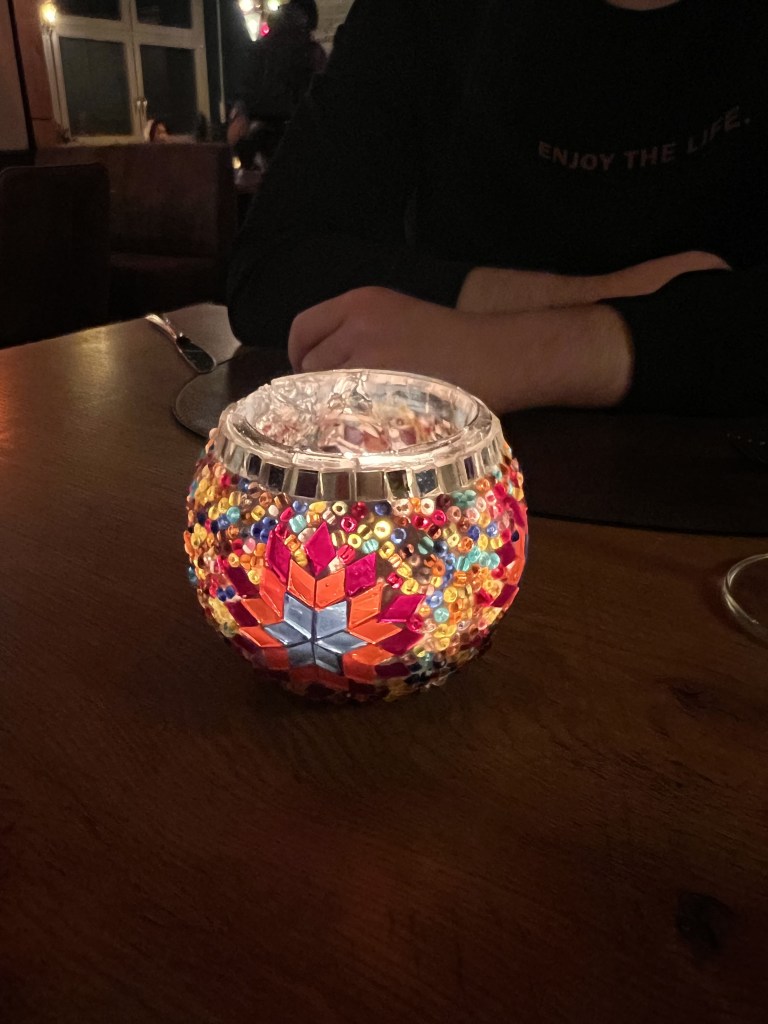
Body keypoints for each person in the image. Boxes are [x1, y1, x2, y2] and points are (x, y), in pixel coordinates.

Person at [228, 0, 768, 415]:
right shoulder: (424, 14)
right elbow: (269, 273)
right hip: (460, 486)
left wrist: (501, 351)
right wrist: (638, 301)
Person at [228, 0, 327, 170]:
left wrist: (242, 112)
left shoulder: (260, 49)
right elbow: (319, 96)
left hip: (259, 134)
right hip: (298, 135)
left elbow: (246, 89)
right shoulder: (311, 52)